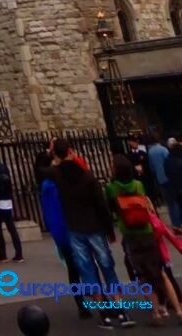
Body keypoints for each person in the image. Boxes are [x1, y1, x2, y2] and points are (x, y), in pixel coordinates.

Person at [52, 140, 134, 329]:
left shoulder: (58, 176)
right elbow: (101, 205)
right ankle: (121, 310)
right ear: (72, 152)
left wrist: (54, 155)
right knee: (107, 267)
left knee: (88, 271)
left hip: (75, 229)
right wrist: (109, 229)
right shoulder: (88, 177)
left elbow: (44, 171)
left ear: (57, 155)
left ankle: (103, 314)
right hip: (94, 227)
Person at [105, 154, 180, 326]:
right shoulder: (138, 185)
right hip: (147, 232)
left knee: (143, 276)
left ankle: (156, 313)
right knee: (160, 272)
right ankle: (178, 309)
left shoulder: (112, 188)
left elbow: (110, 208)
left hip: (131, 236)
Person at [34, 149, 90, 321]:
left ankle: (82, 305)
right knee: (86, 265)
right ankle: (95, 300)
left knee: (73, 269)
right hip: (75, 228)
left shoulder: (46, 186)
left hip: (62, 232)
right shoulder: (57, 182)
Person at [148, 132, 170, 211]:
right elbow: (169, 162)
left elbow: (151, 166)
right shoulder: (163, 149)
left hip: (159, 177)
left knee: (166, 196)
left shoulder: (150, 152)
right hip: (168, 175)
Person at [165, 139, 182, 233]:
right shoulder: (180, 161)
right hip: (179, 186)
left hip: (172, 187)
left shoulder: (168, 160)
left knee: (175, 205)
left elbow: (166, 172)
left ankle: (177, 224)